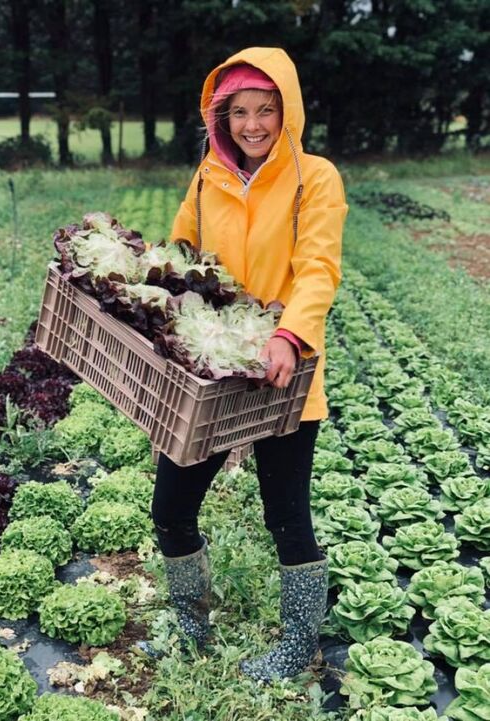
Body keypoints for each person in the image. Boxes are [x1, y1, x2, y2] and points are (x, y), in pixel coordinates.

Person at [140, 47, 348, 682]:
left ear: (288, 112)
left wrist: (289, 334)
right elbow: (181, 254)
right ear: (220, 118)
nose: (252, 125)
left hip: (283, 373)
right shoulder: (208, 177)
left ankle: (295, 648)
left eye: (266, 110)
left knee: (286, 516)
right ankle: (190, 626)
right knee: (171, 509)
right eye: (238, 113)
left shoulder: (316, 178)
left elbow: (318, 267)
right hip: (210, 373)